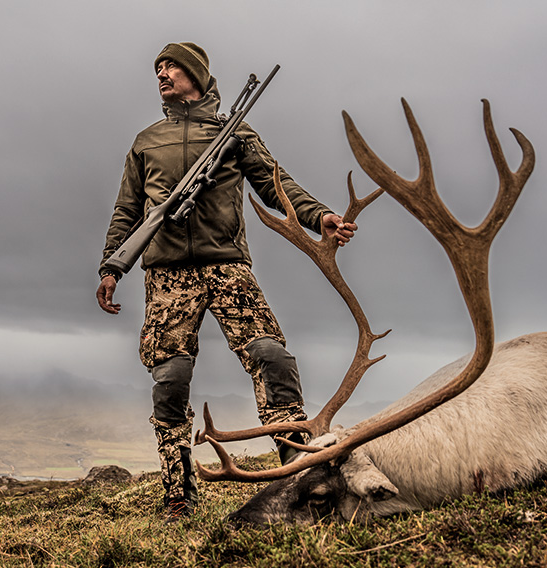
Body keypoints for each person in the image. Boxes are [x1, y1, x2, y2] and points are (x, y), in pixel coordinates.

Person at [96, 42, 357, 521]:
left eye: (171, 66)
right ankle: (179, 493)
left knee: (272, 358)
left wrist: (318, 215)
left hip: (228, 267)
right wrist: (112, 267)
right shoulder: (146, 141)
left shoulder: (235, 132)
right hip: (166, 275)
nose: (162, 73)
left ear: (195, 73)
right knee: (170, 379)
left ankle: (296, 471)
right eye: (157, 68)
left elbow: (277, 184)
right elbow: (127, 210)